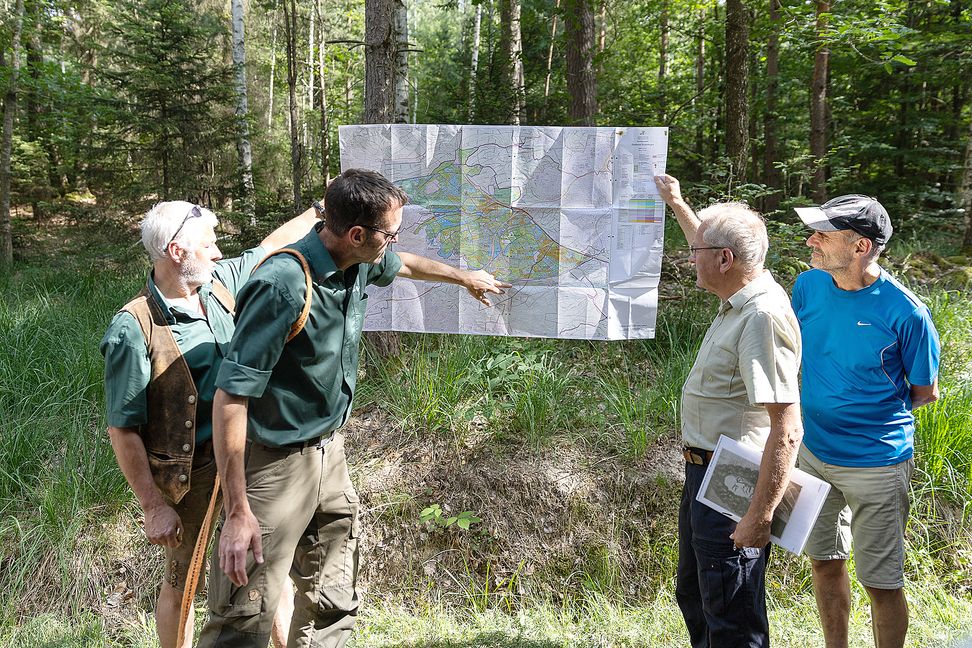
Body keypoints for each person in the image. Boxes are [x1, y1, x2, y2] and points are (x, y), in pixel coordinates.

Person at [197, 169, 512, 647]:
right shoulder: (284, 284)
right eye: (390, 232)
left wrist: (462, 277)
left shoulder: (360, 259)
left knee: (332, 599)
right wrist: (238, 509)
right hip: (273, 467)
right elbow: (231, 397)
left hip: (330, 454)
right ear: (357, 233)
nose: (394, 241)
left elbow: (403, 264)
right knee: (244, 615)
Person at [101, 200, 316, 648]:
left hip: (248, 456)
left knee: (265, 565)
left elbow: (272, 246)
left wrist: (320, 207)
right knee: (184, 580)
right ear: (177, 251)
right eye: (209, 243)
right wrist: (152, 506)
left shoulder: (219, 286)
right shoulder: (133, 327)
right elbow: (123, 429)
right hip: (189, 476)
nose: (218, 253)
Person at [655, 174, 803, 648]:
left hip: (734, 483)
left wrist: (760, 515)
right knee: (697, 595)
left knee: (731, 612)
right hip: (705, 474)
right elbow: (708, 242)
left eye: (695, 253)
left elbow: (787, 426)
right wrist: (677, 203)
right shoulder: (737, 298)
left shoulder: (760, 315)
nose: (688, 259)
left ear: (725, 260)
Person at [792, 195, 940, 648]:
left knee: (881, 583)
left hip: (876, 464)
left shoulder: (906, 311)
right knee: (823, 562)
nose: (811, 240)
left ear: (860, 246)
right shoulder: (808, 286)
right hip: (811, 453)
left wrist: (865, 420)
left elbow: (924, 392)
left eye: (823, 233)